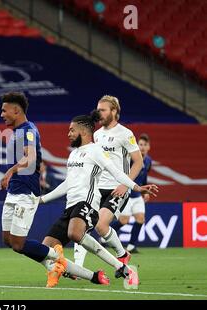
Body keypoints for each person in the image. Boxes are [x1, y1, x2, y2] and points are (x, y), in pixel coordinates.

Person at [38, 111, 158, 287]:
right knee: (46, 249)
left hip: (87, 203)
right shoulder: (73, 155)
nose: (68, 134)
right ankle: (73, 270)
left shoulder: (96, 151)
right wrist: (41, 200)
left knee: (75, 233)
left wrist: (135, 187)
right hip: (70, 206)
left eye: (72, 130)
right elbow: (67, 184)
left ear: (84, 132)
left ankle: (121, 265)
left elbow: (117, 173)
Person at [74, 95, 144, 267]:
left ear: (114, 111)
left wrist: (124, 184)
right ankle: (77, 266)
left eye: (103, 110)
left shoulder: (125, 134)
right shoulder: (96, 135)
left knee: (101, 225)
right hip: (97, 188)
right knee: (80, 225)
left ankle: (121, 253)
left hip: (117, 188)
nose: (99, 113)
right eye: (98, 110)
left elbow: (139, 162)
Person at [0, 92, 64, 272]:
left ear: (16, 110)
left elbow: (31, 158)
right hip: (13, 191)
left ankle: (56, 257)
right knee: (8, 240)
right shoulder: (16, 132)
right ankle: (52, 264)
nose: (1, 115)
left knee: (18, 244)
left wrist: (10, 172)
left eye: (4, 111)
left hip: (26, 192)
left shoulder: (28, 131)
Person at [111, 134, 152, 253]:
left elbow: (144, 177)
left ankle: (131, 246)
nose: (143, 147)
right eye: (140, 144)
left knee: (140, 219)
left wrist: (145, 192)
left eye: (145, 145)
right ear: (137, 146)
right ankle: (105, 235)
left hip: (138, 195)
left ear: (149, 147)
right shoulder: (130, 160)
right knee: (124, 220)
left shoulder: (148, 161)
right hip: (127, 194)